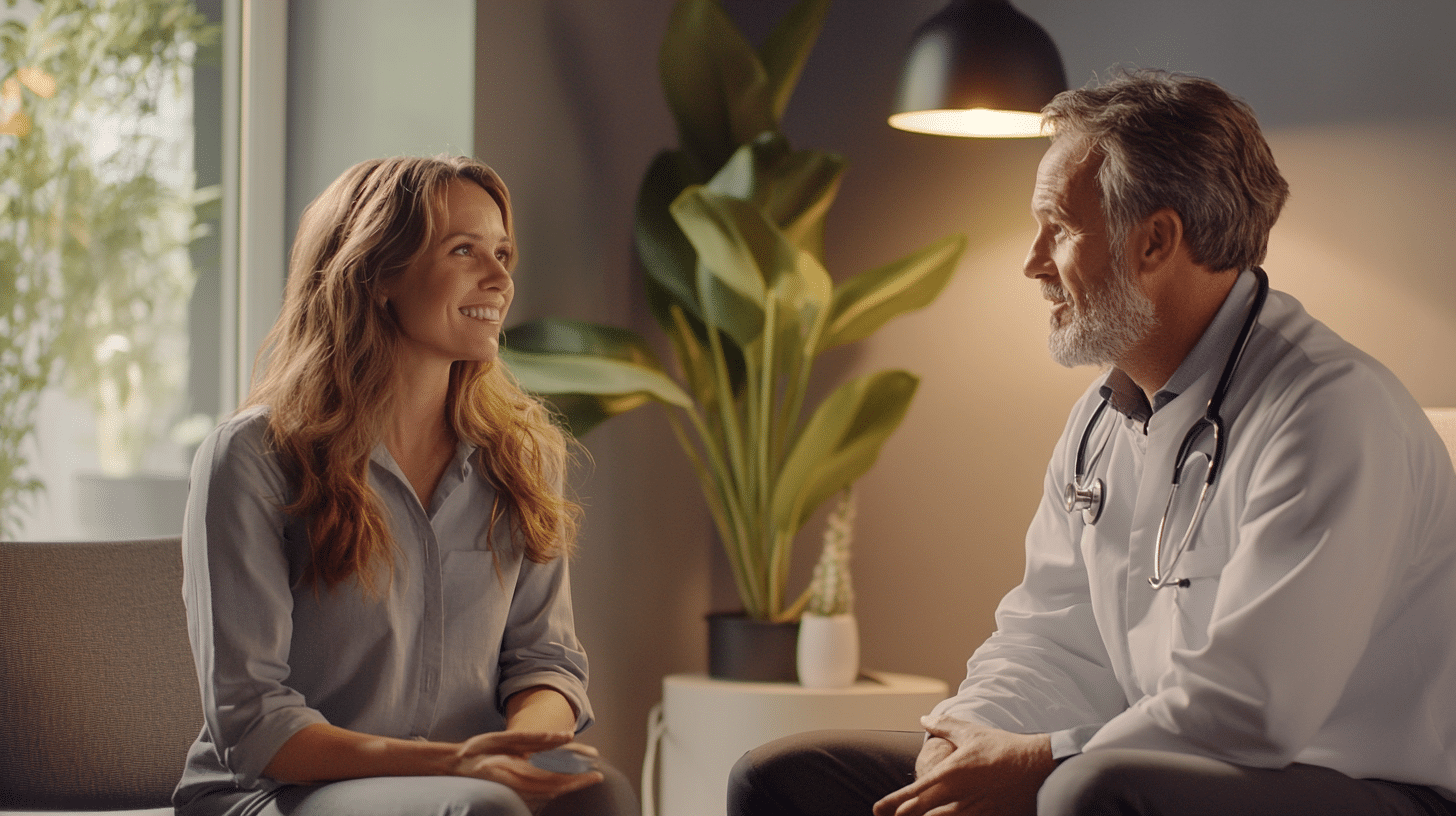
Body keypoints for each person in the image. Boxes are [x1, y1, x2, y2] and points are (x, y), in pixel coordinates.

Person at [728, 70, 1456, 816]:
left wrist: (1042, 760)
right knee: (789, 775)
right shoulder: (1103, 418)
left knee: (1085, 789)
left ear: (1156, 240)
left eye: (1060, 228)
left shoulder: (1327, 412)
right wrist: (966, 736)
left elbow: (1254, 707)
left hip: (1358, 784)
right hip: (1149, 759)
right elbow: (1047, 633)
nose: (1033, 261)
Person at [173, 156, 637, 816]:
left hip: (463, 783)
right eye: (464, 249)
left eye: (503, 252)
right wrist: (459, 764)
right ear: (378, 273)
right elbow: (251, 720)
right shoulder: (251, 457)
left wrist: (518, 749)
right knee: (483, 811)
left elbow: (546, 660)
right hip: (278, 792)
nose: (501, 278)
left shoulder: (522, 456)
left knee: (601, 794)